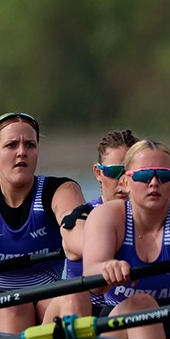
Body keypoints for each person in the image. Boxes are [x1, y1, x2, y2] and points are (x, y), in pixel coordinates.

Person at [0, 112, 87, 333]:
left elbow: (74, 226)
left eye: (30, 145)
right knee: (17, 309)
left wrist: (93, 249)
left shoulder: (60, 189)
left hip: (44, 297)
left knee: (75, 299)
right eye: (11, 145)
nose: (22, 152)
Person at [82, 139, 170, 339]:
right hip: (120, 325)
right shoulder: (107, 216)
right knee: (141, 303)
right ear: (125, 182)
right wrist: (107, 267)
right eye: (144, 175)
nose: (154, 182)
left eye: (163, 175)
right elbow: (93, 281)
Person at [59, 129, 137, 303]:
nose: (123, 180)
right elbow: (92, 247)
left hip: (128, 312)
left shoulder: (153, 218)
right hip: (84, 312)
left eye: (130, 172)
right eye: (115, 172)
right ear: (98, 173)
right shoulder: (78, 219)